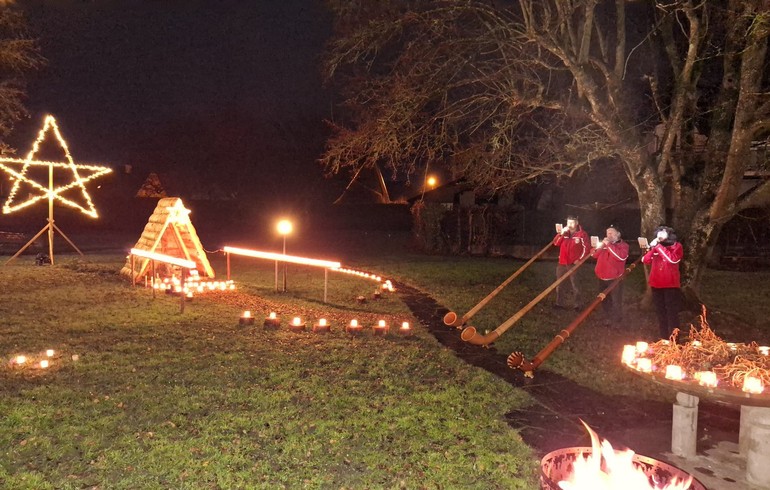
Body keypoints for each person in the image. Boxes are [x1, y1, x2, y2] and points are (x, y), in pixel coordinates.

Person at [642, 225, 684, 339]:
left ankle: (675, 339)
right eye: (659, 232)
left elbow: (672, 259)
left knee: (672, 313)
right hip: (656, 284)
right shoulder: (657, 246)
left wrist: (659, 247)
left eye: (663, 232)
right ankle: (664, 338)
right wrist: (652, 248)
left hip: (670, 285)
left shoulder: (677, 246)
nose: (660, 235)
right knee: (661, 312)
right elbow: (645, 260)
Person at [591, 225, 629, 326]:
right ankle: (606, 318)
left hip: (615, 278)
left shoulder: (623, 246)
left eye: (611, 233)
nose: (609, 235)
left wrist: (608, 245)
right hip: (602, 276)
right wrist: (598, 246)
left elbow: (620, 257)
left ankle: (616, 321)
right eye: (608, 233)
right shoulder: (604, 245)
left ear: (618, 234)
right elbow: (594, 255)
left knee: (616, 300)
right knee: (604, 299)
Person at [553, 216, 589, 310]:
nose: (570, 225)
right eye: (568, 222)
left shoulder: (582, 234)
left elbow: (586, 248)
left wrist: (580, 260)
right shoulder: (564, 233)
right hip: (562, 262)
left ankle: (578, 305)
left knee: (575, 285)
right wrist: (561, 233)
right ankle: (559, 303)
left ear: (577, 223)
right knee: (559, 284)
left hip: (574, 263)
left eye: (572, 222)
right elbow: (556, 243)